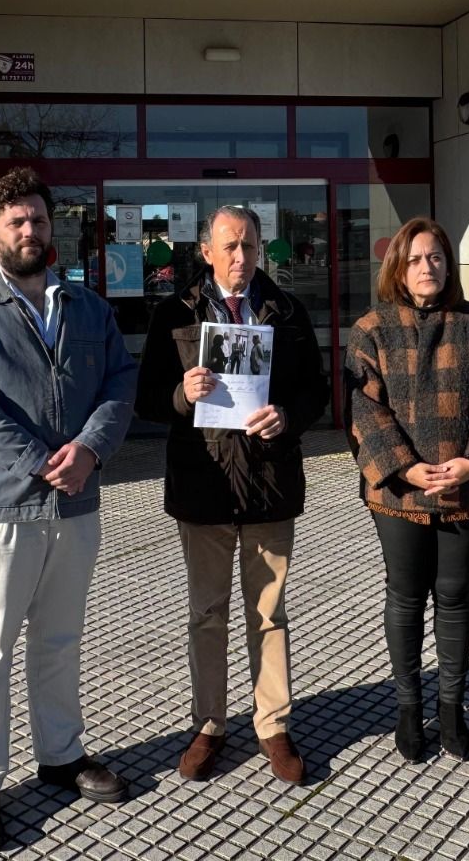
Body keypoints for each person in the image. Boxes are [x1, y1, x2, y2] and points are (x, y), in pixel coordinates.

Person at [0, 167, 138, 852]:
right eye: (16, 222)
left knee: (60, 640)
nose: (30, 232)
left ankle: (60, 756)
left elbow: (118, 381)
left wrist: (91, 449)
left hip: (76, 506)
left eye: (39, 221)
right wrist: (41, 461)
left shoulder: (88, 310)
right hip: (0, 510)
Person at [136, 206, 330, 784]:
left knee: (269, 612)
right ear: (206, 252)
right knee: (207, 613)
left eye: (248, 245)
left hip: (269, 481)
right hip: (204, 484)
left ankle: (272, 724)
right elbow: (146, 400)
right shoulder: (174, 311)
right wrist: (180, 392)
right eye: (229, 247)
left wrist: (288, 417)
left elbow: (316, 393)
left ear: (260, 247)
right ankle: (209, 724)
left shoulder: (287, 312)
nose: (240, 257)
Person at [344, 217, 469, 763]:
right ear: (399, 266)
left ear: (449, 264)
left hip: (464, 487)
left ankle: (451, 708)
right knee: (404, 595)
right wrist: (403, 468)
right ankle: (406, 706)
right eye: (416, 259)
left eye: (436, 258)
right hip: (399, 493)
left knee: (453, 594)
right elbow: (362, 407)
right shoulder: (372, 328)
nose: (427, 267)